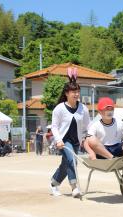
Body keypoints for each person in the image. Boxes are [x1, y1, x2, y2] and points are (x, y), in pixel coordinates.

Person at [49, 67, 90, 198]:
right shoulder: (59, 109)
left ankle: (54, 183)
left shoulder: (83, 108)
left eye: (77, 91)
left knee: (66, 163)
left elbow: (87, 125)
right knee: (72, 160)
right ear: (66, 93)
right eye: (73, 91)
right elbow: (54, 127)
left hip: (76, 140)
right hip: (63, 141)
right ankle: (74, 187)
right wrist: (58, 140)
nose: (76, 94)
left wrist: (86, 138)